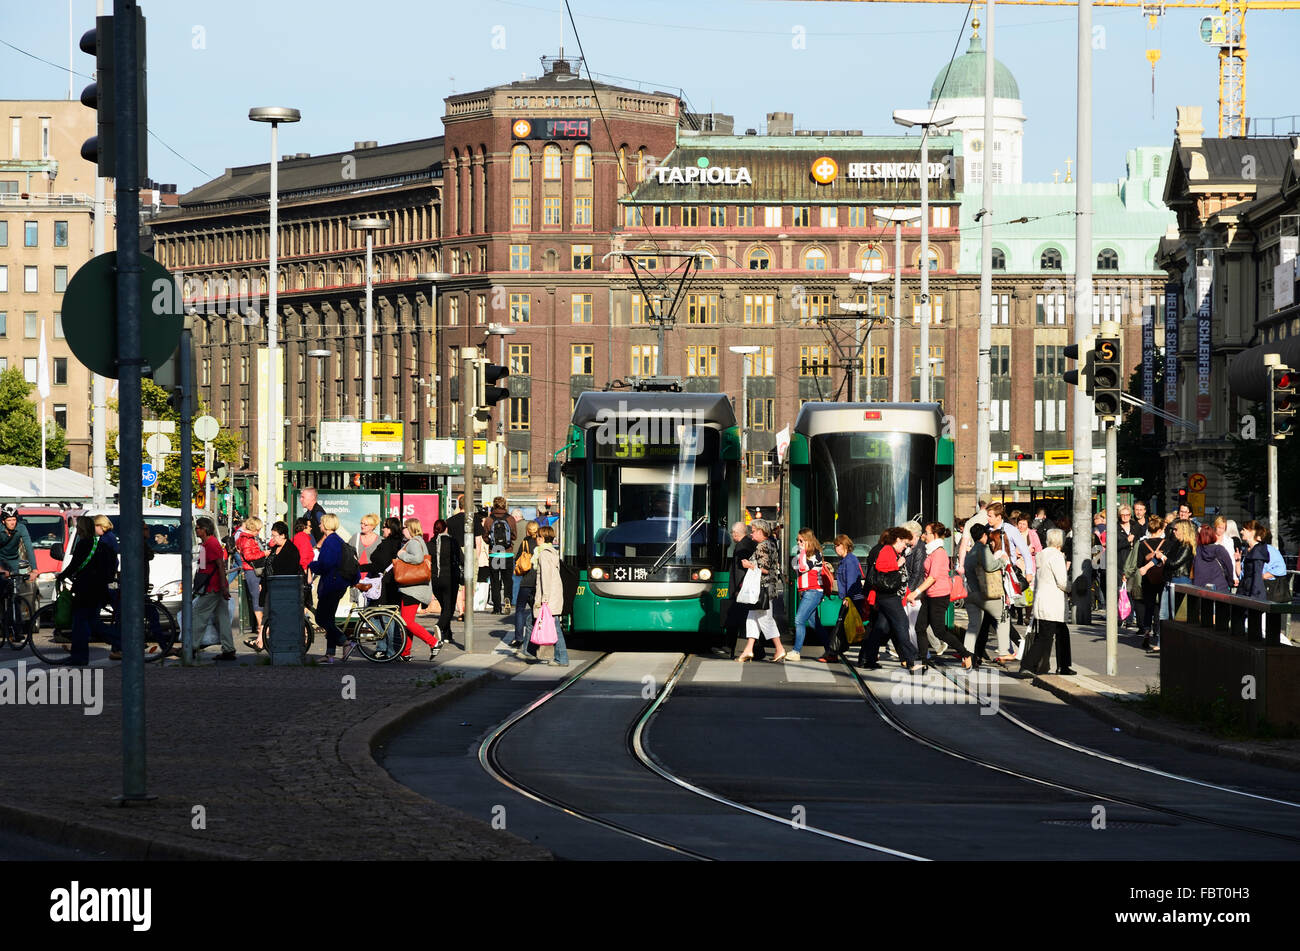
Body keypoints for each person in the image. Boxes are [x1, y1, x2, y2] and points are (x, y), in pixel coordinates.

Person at [55, 515, 117, 665]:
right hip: (98, 589)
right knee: (92, 623)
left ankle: (80, 657)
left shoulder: (84, 544)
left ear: (81, 529)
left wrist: (61, 576)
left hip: (86, 590)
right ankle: (124, 642)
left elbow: (75, 565)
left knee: (81, 623)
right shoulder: (100, 545)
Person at [908, 523, 972, 668]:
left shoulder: (939, 553)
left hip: (939, 596)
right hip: (930, 596)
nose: (924, 535)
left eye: (927, 532)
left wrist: (915, 593)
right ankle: (922, 662)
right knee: (920, 627)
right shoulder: (932, 551)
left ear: (935, 535)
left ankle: (966, 654)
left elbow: (933, 577)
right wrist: (922, 594)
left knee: (939, 631)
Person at [857, 527, 919, 670]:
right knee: (902, 625)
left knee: (880, 628)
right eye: (904, 542)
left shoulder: (893, 552)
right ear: (897, 540)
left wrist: (908, 594)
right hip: (889, 597)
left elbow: (900, 578)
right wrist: (897, 564)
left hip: (887, 596)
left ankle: (869, 658)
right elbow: (881, 566)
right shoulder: (887, 550)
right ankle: (912, 660)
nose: (905, 546)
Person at [736, 520, 787, 663]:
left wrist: (749, 565)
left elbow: (764, 569)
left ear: (760, 531)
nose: (751, 534)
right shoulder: (771, 544)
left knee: (765, 619)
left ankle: (779, 648)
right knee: (752, 618)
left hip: (762, 588)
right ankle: (748, 649)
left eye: (753, 531)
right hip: (767, 587)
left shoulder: (762, 546)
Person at [1026, 528, 1074, 675]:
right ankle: (1027, 665)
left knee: (1061, 632)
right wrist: (1071, 588)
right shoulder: (1057, 556)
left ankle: (1064, 666)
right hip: (1053, 603)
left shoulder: (1042, 555)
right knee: (1045, 637)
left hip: (1042, 600)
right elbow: (1062, 582)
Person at [250, 521, 304, 651]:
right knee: (267, 613)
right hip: (270, 587)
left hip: (282, 588)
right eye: (272, 535)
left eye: (275, 535)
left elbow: (289, 570)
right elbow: (268, 565)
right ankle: (261, 640)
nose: (272, 538)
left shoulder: (291, 550)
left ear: (283, 535)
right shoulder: (275, 548)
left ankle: (261, 641)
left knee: (272, 615)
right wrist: (262, 583)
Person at [394, 517, 441, 661]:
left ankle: (433, 642)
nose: (403, 530)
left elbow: (418, 558)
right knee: (406, 622)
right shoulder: (418, 541)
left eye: (405, 527)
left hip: (413, 588)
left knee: (407, 622)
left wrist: (401, 555)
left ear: (411, 528)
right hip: (413, 588)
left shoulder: (414, 542)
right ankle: (405, 653)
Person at [191, 516, 235, 661]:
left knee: (199, 615)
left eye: (198, 528)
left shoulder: (211, 544)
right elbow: (203, 567)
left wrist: (223, 586)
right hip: (212, 587)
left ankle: (191, 647)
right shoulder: (205, 545)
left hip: (213, 588)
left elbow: (220, 566)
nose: (196, 530)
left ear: (204, 530)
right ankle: (229, 649)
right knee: (222, 618)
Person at [528, 524, 569, 666]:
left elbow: (545, 577)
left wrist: (544, 599)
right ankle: (530, 652)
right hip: (554, 596)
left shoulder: (544, 554)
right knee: (532, 621)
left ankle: (561, 658)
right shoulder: (552, 552)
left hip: (548, 597)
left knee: (554, 627)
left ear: (543, 538)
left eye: (538, 536)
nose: (536, 539)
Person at [312, 513, 351, 663]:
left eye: (321, 523)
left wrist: (312, 564)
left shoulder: (330, 542)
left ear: (326, 525)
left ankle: (345, 642)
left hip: (332, 585)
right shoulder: (337, 540)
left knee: (321, 618)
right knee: (329, 619)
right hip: (337, 584)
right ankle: (330, 654)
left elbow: (326, 565)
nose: (319, 525)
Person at [967, 523, 1004, 669]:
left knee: (977, 626)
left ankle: (971, 656)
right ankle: (1014, 647)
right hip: (982, 592)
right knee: (1001, 618)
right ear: (984, 535)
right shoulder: (982, 548)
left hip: (971, 592)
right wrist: (1002, 561)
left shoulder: (971, 551)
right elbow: (989, 566)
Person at [789, 528, 829, 662]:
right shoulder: (803, 554)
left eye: (801, 540)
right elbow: (794, 565)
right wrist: (801, 554)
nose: (798, 543)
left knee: (799, 620)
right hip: (806, 592)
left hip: (813, 591)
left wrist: (802, 552)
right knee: (814, 623)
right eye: (797, 540)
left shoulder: (816, 554)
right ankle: (831, 649)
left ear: (808, 540)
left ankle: (796, 652)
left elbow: (802, 568)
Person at [1136, 515, 1169, 652]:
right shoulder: (1167, 543)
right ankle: (1161, 634)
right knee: (1163, 607)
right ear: (1161, 529)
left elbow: (1138, 564)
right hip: (1162, 578)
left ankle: (1146, 632)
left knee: (1148, 606)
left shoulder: (1142, 544)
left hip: (1147, 579)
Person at [233, 516, 269, 639]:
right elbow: (248, 556)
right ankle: (261, 627)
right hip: (252, 571)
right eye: (258, 529)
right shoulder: (246, 539)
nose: (259, 532)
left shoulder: (244, 538)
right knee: (257, 598)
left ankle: (262, 627)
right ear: (253, 528)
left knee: (258, 597)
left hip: (252, 571)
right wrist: (264, 553)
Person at [724, 521, 756, 658]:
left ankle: (729, 647)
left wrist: (737, 589)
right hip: (744, 587)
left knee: (734, 617)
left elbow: (740, 570)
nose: (731, 535)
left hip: (740, 587)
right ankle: (755, 648)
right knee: (747, 618)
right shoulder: (749, 543)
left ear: (736, 534)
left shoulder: (741, 546)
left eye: (732, 533)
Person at [429, 518, 462, 648]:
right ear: (446, 528)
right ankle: (439, 626)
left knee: (445, 607)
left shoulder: (431, 543)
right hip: (450, 578)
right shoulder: (452, 542)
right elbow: (462, 559)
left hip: (435, 579)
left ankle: (447, 635)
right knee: (449, 608)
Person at [506, 520, 539, 653]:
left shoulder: (525, 542)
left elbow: (518, 559)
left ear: (527, 530)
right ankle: (537, 637)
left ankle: (518, 638)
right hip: (538, 581)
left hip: (526, 581)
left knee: (520, 609)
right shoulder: (540, 543)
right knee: (536, 610)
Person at [1238, 520, 1287, 602]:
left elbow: (1281, 569)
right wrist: (1237, 562)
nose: (1241, 531)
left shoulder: (1268, 550)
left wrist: (1263, 576)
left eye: (1244, 529)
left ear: (1252, 532)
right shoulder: (1249, 551)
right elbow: (1243, 575)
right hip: (1250, 590)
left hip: (1266, 591)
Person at [482, 497, 516, 614]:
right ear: (504, 505)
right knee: (507, 580)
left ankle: (496, 607)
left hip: (495, 553)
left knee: (495, 581)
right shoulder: (510, 519)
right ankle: (508, 598)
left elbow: (485, 537)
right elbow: (514, 536)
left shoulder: (489, 519)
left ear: (494, 505)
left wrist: (491, 542)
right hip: (507, 553)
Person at [1192, 523, 1235, 592]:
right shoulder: (1219, 549)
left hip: (1200, 589)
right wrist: (1230, 582)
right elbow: (1229, 567)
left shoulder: (1196, 550)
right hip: (1220, 587)